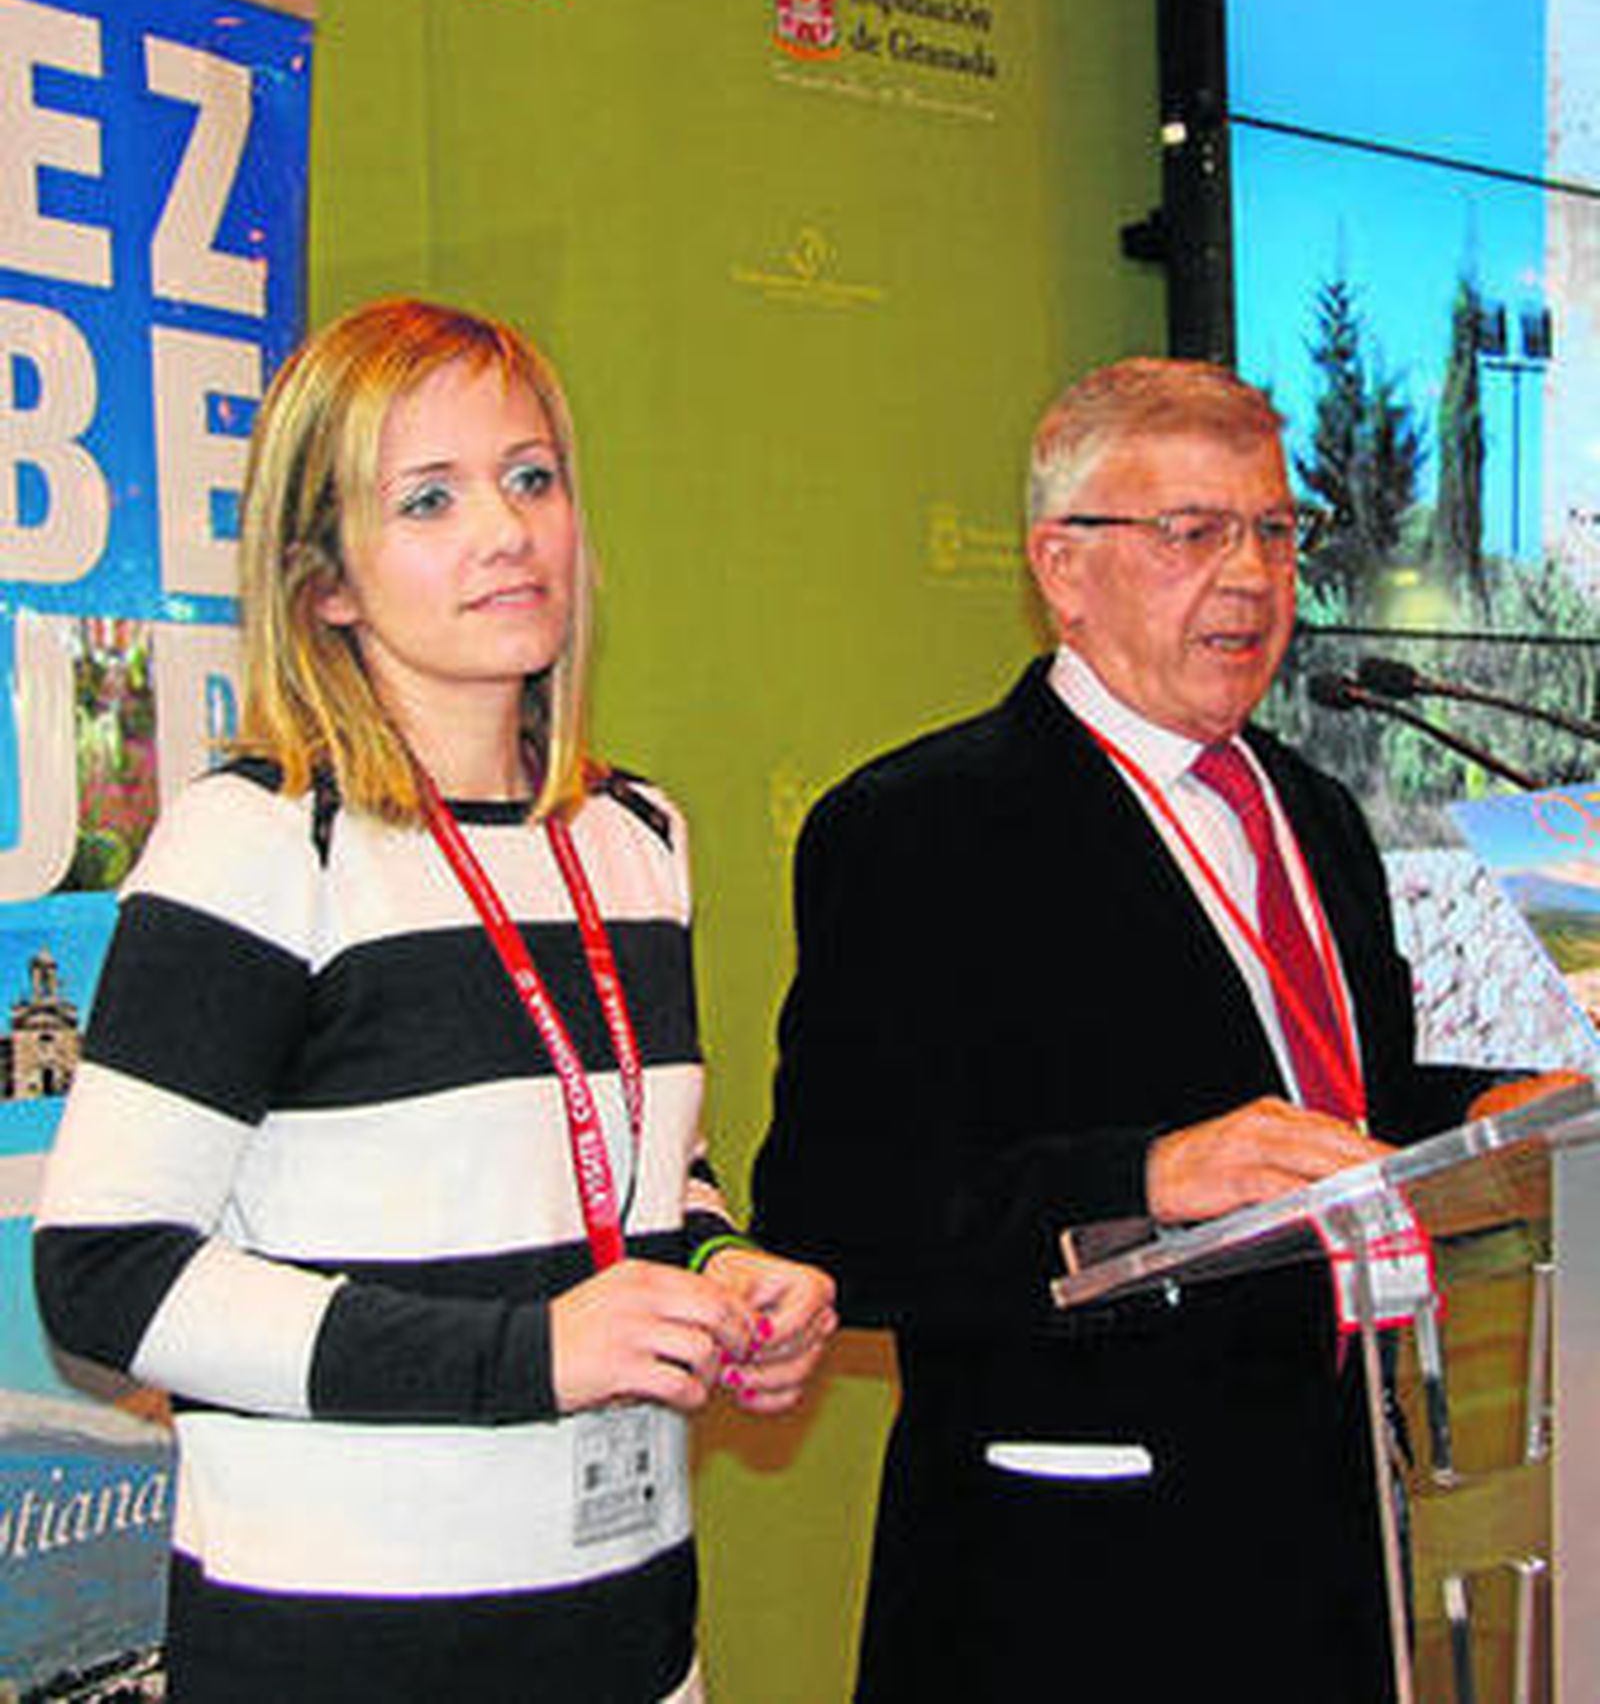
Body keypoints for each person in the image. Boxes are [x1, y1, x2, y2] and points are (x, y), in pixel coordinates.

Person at [34, 297, 836, 1703]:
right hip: (347, 1655)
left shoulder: (636, 838)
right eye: (428, 499)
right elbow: (106, 1276)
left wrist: (719, 1272)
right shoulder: (265, 842)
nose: (508, 532)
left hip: (632, 1636)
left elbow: (649, 1171)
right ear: (325, 583)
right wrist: (527, 1354)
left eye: (532, 478)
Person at [750, 356, 1568, 1702]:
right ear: (1061, 568)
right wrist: (1146, 1176)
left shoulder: (1315, 813)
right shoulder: (921, 829)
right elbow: (839, 1213)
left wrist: (1488, 1114)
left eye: (1274, 529)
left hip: (1342, 1534)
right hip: (1074, 1586)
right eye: (1192, 533)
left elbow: (1329, 1109)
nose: (1250, 575)